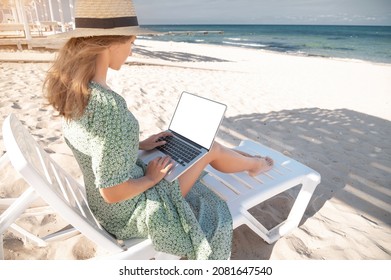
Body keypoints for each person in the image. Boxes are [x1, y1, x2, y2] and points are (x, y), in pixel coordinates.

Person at [44, 0, 273, 260]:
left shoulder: (76, 91)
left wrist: (138, 144)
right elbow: (112, 192)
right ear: (111, 44)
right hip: (130, 210)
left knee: (204, 148)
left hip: (103, 208)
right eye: (131, 43)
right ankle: (254, 165)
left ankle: (247, 160)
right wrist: (150, 179)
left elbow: (96, 142)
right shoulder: (110, 109)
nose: (131, 51)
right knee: (208, 149)